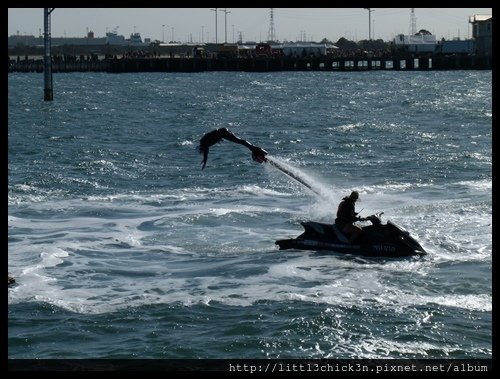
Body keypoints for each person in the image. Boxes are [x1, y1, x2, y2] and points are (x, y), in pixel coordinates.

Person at [197, 128, 268, 169]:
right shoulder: (204, 144)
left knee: (239, 141)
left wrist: (205, 162)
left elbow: (206, 150)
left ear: (200, 148)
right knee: (239, 141)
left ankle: (254, 149)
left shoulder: (203, 144)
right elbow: (207, 148)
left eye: (201, 152)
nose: (202, 152)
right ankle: (253, 149)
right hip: (222, 133)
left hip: (223, 132)